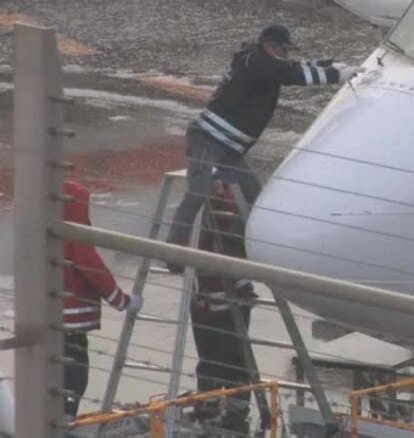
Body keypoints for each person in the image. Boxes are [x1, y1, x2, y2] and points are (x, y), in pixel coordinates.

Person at [166, 23, 364, 256]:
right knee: (198, 192)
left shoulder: (263, 61)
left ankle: (236, 259)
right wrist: (335, 75)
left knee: (253, 195)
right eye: (283, 50)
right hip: (208, 140)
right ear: (270, 46)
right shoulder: (257, 63)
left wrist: (327, 64)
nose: (286, 55)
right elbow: (289, 73)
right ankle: (173, 251)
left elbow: (290, 66)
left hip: (231, 150)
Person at [61, 180, 143, 418]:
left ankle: (51, 423)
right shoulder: (76, 235)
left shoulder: (43, 230)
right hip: (71, 322)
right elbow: (94, 269)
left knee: (52, 379)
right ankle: (64, 425)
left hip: (46, 319)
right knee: (75, 379)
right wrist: (122, 301)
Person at [190, 180, 257, 435]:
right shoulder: (211, 222)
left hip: (218, 303)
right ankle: (221, 413)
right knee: (223, 361)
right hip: (217, 304)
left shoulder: (216, 219)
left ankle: (227, 413)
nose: (223, 191)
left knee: (225, 361)